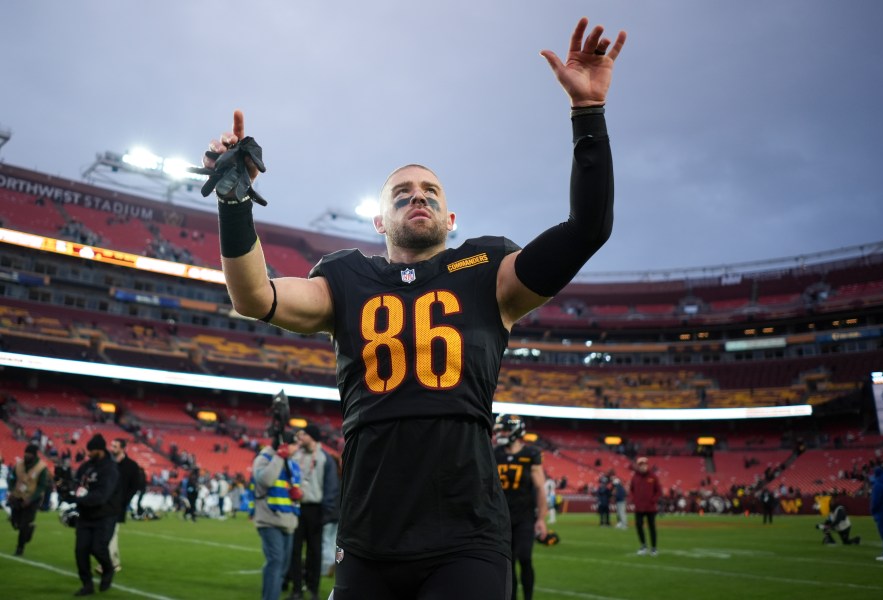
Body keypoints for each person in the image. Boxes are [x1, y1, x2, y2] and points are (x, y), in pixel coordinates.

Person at [199, 16, 625, 599]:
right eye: (402, 193)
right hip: (369, 535)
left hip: (466, 534)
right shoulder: (346, 277)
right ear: (380, 221)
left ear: (451, 220)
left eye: (430, 192)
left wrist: (588, 113)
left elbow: (585, 229)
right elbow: (255, 296)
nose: (416, 196)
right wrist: (234, 200)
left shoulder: (489, 273)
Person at [494, 415, 548, 600]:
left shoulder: (531, 454)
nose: (501, 433)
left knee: (525, 558)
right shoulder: (495, 453)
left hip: (524, 516)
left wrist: (541, 519)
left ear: (516, 431)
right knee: (508, 564)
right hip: (501, 518)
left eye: (505, 430)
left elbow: (540, 487)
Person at [287, 423, 339, 600]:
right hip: (297, 508)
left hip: (316, 509)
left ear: (313, 437)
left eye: (305, 435)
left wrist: (326, 511)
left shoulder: (325, 458)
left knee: (314, 552)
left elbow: (331, 487)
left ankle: (313, 589)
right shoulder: (296, 456)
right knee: (294, 550)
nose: (301, 438)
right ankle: (296, 589)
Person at [253, 430, 303, 600]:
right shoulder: (264, 459)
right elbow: (265, 479)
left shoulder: (292, 464)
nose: (297, 448)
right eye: (295, 444)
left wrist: (299, 494)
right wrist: (278, 458)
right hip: (269, 520)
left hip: (288, 521)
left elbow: (296, 487)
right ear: (284, 445)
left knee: (282, 566)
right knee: (275, 562)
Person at [71, 433, 120, 596]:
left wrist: (80, 499)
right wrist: (69, 491)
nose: (88, 454)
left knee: (98, 549)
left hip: (105, 515)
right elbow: (77, 483)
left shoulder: (110, 468)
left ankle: (108, 570)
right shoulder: (86, 467)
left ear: (99, 450)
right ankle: (87, 584)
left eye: (91, 451)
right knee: (81, 550)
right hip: (85, 515)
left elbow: (102, 495)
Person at [102, 438, 142, 575]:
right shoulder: (107, 463)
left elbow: (134, 486)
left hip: (118, 505)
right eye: (112, 445)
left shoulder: (131, 466)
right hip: (103, 503)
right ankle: (110, 561)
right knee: (105, 533)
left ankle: (111, 563)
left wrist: (124, 501)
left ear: (123, 448)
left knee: (111, 533)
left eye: (115, 446)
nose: (112, 448)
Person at [8, 443, 50, 556]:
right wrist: (11, 490)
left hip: (32, 500)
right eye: (25, 453)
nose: (26, 456)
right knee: (15, 523)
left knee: (23, 525)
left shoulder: (41, 468)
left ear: (34, 455)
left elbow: (42, 486)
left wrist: (31, 498)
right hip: (17, 497)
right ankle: (29, 529)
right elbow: (11, 478)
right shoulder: (18, 465)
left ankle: (19, 549)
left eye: (29, 454)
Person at [629, 456, 661, 556]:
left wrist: (653, 500)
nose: (643, 467)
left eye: (645, 465)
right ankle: (643, 545)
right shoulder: (635, 477)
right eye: (641, 465)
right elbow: (631, 490)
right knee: (638, 526)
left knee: (652, 527)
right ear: (638, 466)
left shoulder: (653, 477)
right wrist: (634, 500)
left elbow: (658, 491)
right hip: (639, 507)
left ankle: (654, 548)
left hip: (650, 507)